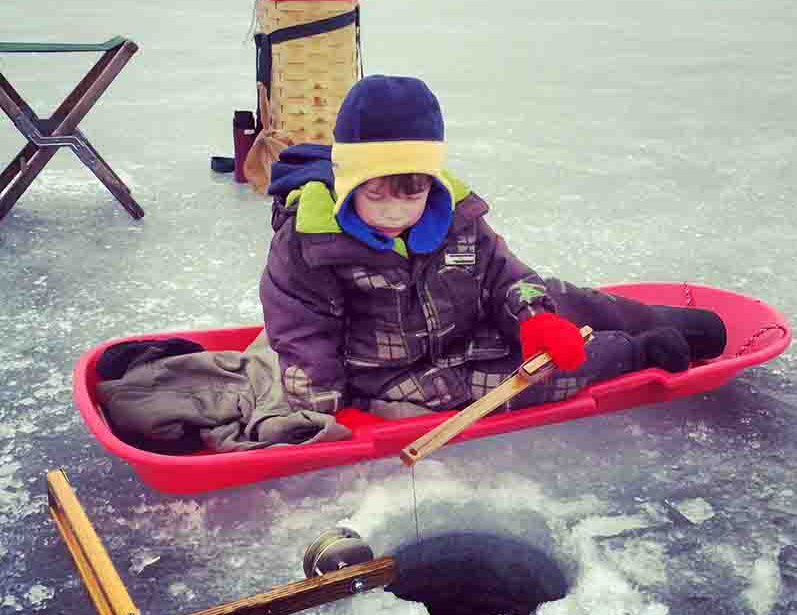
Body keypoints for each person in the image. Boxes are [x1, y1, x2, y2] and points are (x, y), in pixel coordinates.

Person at [260, 75, 726, 418]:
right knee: (531, 377)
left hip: (470, 328)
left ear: (432, 182)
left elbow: (506, 277)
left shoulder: (457, 219)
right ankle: (638, 352)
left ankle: (650, 317)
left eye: (411, 194)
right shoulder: (312, 243)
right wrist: (323, 403)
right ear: (347, 182)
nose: (393, 213)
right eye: (374, 194)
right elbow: (302, 328)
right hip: (396, 375)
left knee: (555, 299)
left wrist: (536, 318)